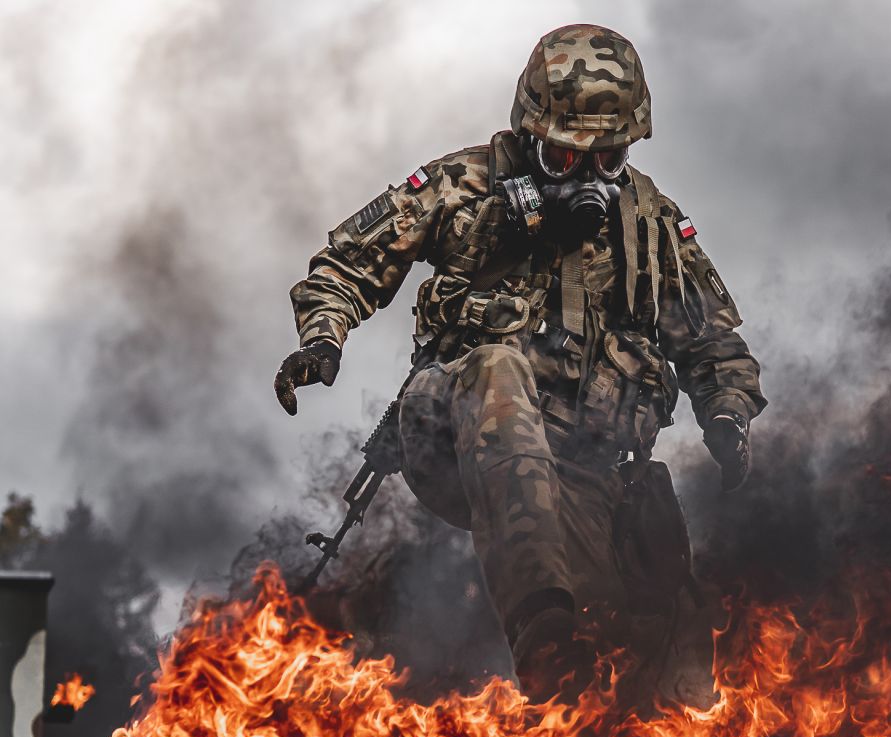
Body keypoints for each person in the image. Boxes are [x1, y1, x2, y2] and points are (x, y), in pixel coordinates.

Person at [274, 24, 766, 700]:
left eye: (608, 160)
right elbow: (349, 263)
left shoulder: (648, 221)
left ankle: (614, 733)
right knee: (497, 368)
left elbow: (713, 340)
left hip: (580, 480)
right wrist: (323, 337)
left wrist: (728, 412)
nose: (588, 182)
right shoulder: (463, 185)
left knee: (667, 669)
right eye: (565, 161)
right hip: (453, 430)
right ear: (532, 134)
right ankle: (544, 635)